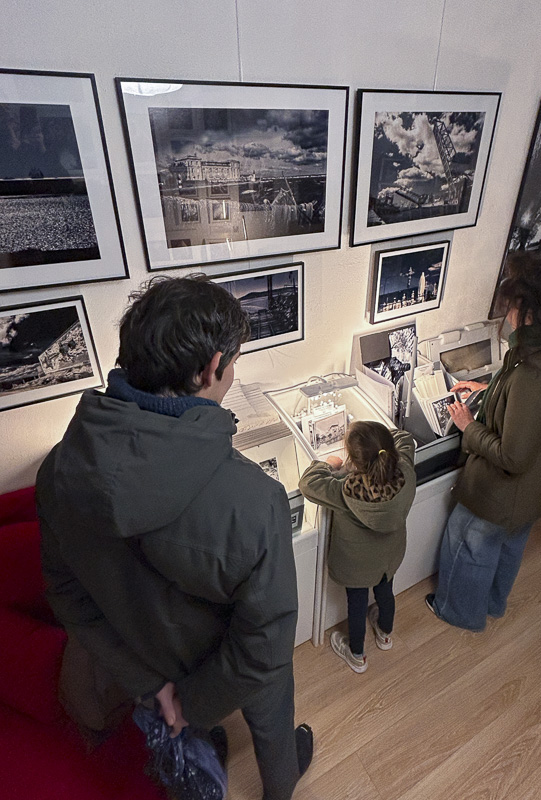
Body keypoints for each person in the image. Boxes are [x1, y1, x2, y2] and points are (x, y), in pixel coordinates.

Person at [36, 275, 313, 800]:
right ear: (212, 368)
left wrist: (154, 687)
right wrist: (191, 704)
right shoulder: (255, 501)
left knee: (203, 732)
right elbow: (264, 649)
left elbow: (67, 594)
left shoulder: (57, 471)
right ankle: (281, 786)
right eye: (234, 361)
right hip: (223, 667)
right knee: (273, 719)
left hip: (148, 660)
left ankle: (211, 747)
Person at [427, 253, 541, 631]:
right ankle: (493, 603)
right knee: (511, 541)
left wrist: (468, 425)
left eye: (512, 308)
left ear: (532, 312)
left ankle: (457, 612)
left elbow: (511, 456)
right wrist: (491, 389)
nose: (506, 316)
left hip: (505, 490)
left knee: (469, 540)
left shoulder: (535, 372)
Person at [299, 421, 416, 673]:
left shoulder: (344, 490)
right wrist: (375, 439)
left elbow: (308, 483)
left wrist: (328, 464)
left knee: (357, 603)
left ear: (353, 460)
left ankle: (357, 654)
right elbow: (404, 437)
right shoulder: (405, 469)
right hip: (388, 558)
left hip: (357, 564)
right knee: (385, 593)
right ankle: (385, 634)